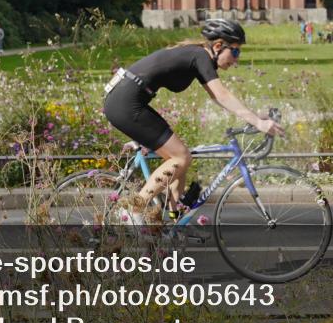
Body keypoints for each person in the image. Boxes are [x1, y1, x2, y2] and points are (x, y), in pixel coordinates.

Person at [103, 19, 283, 225]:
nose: (236, 59)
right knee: (181, 157)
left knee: (179, 161)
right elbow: (222, 95)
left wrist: (255, 116)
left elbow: (217, 98)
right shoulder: (200, 56)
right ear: (218, 46)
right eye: (235, 51)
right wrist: (259, 125)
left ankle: (173, 219)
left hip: (128, 101)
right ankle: (133, 209)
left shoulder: (197, 57)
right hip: (126, 104)